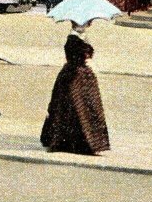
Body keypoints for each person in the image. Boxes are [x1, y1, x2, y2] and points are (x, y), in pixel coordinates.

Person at [40, 21, 110, 156]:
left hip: (84, 76)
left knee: (88, 107)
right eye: (83, 23)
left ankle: (87, 141)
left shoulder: (81, 37)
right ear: (75, 23)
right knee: (72, 107)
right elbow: (77, 55)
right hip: (73, 76)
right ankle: (73, 142)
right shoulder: (72, 38)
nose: (87, 25)